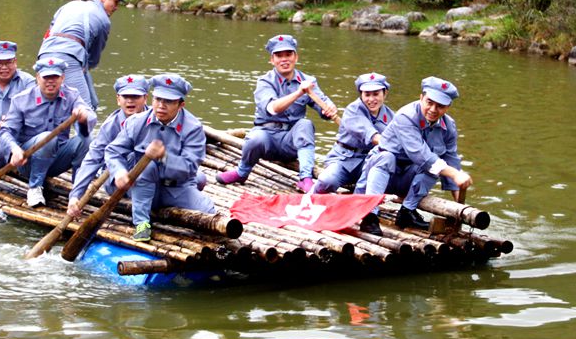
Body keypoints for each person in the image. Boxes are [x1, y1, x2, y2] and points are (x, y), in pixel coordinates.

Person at [216, 34, 337, 193]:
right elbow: (273, 108)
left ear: (296, 57)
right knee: (255, 138)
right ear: (272, 60)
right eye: (279, 56)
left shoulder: (308, 81)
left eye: (288, 54)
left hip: (291, 141)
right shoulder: (264, 82)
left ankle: (305, 179)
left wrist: (329, 109)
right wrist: (299, 93)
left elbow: (322, 103)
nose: (284, 59)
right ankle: (242, 172)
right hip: (268, 139)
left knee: (305, 124)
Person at [105, 73, 215, 242]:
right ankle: (141, 223)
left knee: (210, 213)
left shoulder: (193, 129)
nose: (161, 106)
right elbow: (113, 151)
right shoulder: (136, 122)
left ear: (181, 104)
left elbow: (189, 168)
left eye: (168, 101)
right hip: (141, 187)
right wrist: (119, 173)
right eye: (158, 100)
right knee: (147, 165)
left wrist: (164, 157)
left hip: (176, 187)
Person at [356, 76, 472, 230]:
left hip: (407, 179)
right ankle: (370, 216)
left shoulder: (448, 126)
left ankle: (407, 212)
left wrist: (459, 202)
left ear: (448, 107)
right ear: (421, 98)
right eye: (429, 103)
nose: (433, 110)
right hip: (380, 176)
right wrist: (454, 174)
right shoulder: (406, 116)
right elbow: (421, 155)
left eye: (440, 106)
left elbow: (451, 159)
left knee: (437, 166)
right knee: (387, 157)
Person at [0, 57, 96, 207]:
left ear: (62, 78)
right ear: (38, 78)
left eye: (55, 77)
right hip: (28, 161)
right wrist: (14, 149)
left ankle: (77, 191)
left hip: (57, 159)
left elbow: (90, 117)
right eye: (46, 77)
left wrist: (84, 117)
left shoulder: (72, 95)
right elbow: (5, 132)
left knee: (87, 140)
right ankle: (35, 187)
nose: (50, 81)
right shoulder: (21, 100)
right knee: (47, 138)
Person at [66, 74, 151, 217]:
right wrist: (75, 196)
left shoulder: (156, 118)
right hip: (119, 179)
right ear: (118, 100)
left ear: (145, 98)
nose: (130, 101)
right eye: (125, 97)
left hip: (151, 174)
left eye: (135, 97)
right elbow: (93, 159)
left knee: (198, 179)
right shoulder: (111, 126)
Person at [37, 0, 125, 109]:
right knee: (86, 109)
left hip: (44, 54)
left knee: (46, 105)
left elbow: (49, 31)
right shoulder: (104, 20)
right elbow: (93, 59)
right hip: (71, 57)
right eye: (115, 2)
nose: (116, 7)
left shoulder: (70, 5)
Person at [312, 72, 394, 195]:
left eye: (376, 94)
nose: (371, 99)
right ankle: (311, 197)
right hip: (344, 159)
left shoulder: (391, 116)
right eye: (367, 95)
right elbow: (373, 136)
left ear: (385, 93)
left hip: (368, 162)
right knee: (327, 181)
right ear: (361, 95)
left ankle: (364, 206)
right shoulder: (353, 110)